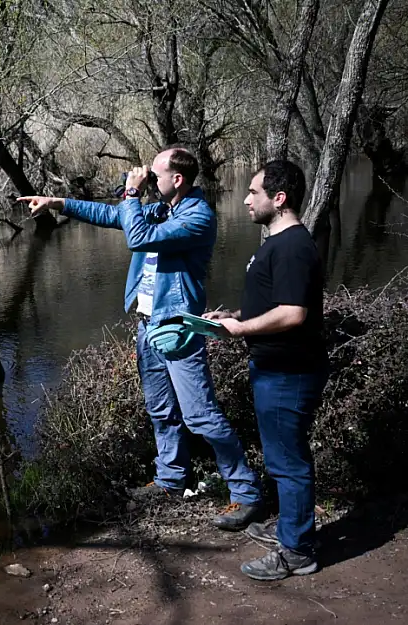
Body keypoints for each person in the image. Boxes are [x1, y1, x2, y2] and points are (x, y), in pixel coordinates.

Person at [18, 147, 261, 531]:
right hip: (147, 326)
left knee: (200, 415)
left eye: (156, 173)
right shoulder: (165, 210)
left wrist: (132, 193)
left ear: (177, 179)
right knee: (161, 409)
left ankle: (246, 493)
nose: (147, 177)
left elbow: (137, 236)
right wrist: (57, 202)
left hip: (178, 327)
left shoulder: (198, 217)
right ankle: (170, 479)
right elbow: (113, 216)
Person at [204, 159, 328, 580]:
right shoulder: (277, 242)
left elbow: (293, 313)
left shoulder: (293, 246)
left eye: (253, 192)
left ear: (279, 199)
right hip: (274, 369)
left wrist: (239, 330)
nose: (245, 198)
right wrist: (234, 316)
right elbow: (275, 302)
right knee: (282, 459)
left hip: (288, 373)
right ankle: (292, 531)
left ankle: (296, 552)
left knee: (289, 463)